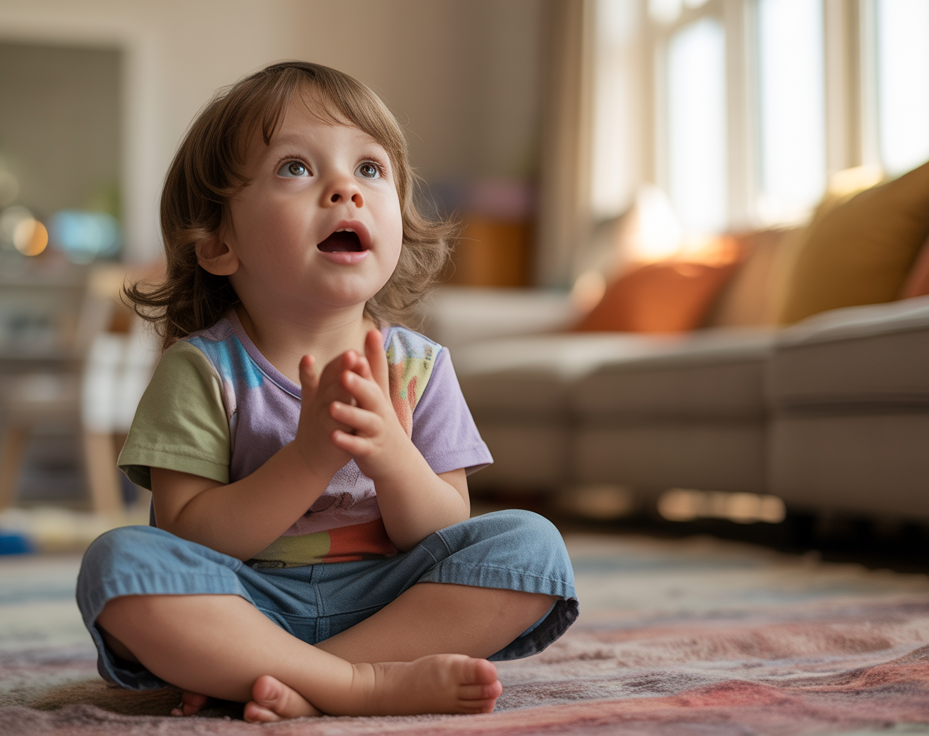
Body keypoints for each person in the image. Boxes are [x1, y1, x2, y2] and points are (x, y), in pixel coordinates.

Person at [76, 61, 577, 722]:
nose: (345, 188)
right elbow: (189, 537)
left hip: (390, 599)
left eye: (370, 169)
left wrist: (394, 457)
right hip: (243, 596)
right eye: (295, 168)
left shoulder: (419, 367)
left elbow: (442, 528)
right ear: (219, 243)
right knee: (119, 566)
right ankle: (359, 687)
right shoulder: (201, 370)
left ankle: (279, 674)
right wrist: (309, 458)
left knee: (532, 548)